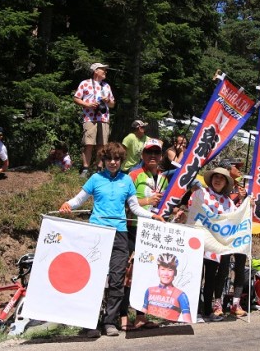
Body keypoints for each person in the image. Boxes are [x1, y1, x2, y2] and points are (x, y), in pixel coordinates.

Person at [59, 142, 163, 337]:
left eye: (117, 159)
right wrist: (67, 204)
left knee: (116, 280)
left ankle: (109, 322)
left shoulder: (127, 181)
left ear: (121, 161)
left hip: (120, 234)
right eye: (109, 159)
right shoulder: (95, 178)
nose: (113, 162)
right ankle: (89, 323)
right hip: (97, 233)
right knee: (93, 278)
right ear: (103, 160)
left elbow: (134, 207)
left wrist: (152, 216)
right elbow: (79, 199)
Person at [120, 138, 168, 331]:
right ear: (142, 155)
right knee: (127, 273)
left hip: (154, 233)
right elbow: (121, 202)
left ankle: (141, 316)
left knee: (147, 273)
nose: (153, 156)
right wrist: (147, 200)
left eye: (157, 153)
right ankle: (122, 316)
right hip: (132, 228)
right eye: (149, 153)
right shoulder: (133, 175)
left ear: (162, 156)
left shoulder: (164, 179)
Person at [184, 167, 236, 322]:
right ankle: (191, 310)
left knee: (210, 278)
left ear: (226, 182)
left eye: (222, 177)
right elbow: (191, 206)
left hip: (214, 245)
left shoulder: (228, 202)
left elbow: (235, 218)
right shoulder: (201, 193)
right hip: (197, 242)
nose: (218, 180)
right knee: (195, 277)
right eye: (216, 176)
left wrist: (249, 205)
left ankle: (207, 310)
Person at [215, 158, 248, 317]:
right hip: (224, 235)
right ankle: (218, 303)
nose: (240, 170)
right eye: (237, 167)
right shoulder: (221, 187)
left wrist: (245, 199)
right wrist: (237, 198)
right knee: (223, 268)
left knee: (240, 267)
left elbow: (244, 211)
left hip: (239, 235)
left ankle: (236, 303)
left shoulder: (241, 188)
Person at [74, 62, 115, 177]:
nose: (105, 72)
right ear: (96, 71)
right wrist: (88, 105)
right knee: (88, 144)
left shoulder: (106, 86)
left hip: (104, 118)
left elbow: (112, 104)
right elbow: (76, 98)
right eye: (103, 69)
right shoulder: (85, 83)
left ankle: (99, 169)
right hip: (90, 118)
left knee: (102, 145)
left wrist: (107, 100)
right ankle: (85, 169)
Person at [142, 253, 192, 323]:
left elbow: (188, 322)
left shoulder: (181, 295)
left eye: (170, 270)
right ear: (158, 271)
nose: (166, 273)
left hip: (170, 331)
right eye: (163, 269)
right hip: (150, 330)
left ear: (175, 272)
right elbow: (142, 316)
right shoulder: (149, 291)